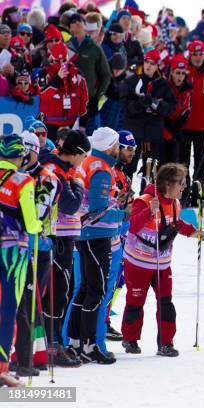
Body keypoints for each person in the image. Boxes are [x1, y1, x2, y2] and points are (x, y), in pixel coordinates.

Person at [121, 163, 197, 357]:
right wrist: (149, 211)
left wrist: (193, 232)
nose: (184, 186)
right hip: (138, 263)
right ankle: (130, 339)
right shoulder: (145, 201)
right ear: (167, 183)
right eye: (181, 182)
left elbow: (176, 223)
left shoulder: (175, 203)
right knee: (135, 302)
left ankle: (166, 343)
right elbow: (133, 226)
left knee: (166, 302)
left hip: (162, 264)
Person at [66, 127, 126, 365]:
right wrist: (123, 214)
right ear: (111, 146)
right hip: (97, 236)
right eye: (118, 145)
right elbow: (98, 211)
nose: (119, 149)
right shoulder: (101, 168)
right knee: (96, 291)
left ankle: (75, 341)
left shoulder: (91, 162)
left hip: (87, 234)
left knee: (85, 290)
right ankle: (89, 345)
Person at [39, 130, 91, 367]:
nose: (84, 161)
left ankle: (55, 342)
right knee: (57, 293)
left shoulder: (65, 169)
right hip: (55, 237)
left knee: (62, 291)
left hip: (65, 237)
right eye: (84, 155)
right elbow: (70, 205)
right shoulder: (56, 169)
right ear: (77, 153)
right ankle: (51, 346)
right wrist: (78, 183)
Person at [12, 131, 59, 377]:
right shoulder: (16, 176)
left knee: (29, 304)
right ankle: (24, 355)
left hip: (39, 248)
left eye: (26, 150)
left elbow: (38, 214)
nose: (21, 155)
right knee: (19, 303)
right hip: (16, 248)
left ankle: (30, 356)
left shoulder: (46, 178)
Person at [0, 134, 42, 387]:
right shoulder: (22, 180)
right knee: (7, 309)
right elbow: (30, 221)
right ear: (20, 156)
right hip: (12, 252)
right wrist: (40, 225)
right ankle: (2, 367)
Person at [121, 49, 176, 192]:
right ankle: (124, 199)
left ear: (157, 65)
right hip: (134, 132)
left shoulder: (163, 84)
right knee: (128, 166)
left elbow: (170, 108)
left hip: (153, 133)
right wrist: (140, 104)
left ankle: (147, 199)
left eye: (152, 63)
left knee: (150, 169)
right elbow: (126, 107)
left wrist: (155, 104)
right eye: (146, 62)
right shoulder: (132, 80)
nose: (148, 66)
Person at [104, 130, 137, 344]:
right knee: (109, 279)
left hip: (123, 232)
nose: (132, 153)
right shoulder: (111, 172)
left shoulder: (123, 173)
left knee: (119, 280)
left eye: (134, 149)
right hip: (111, 232)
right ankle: (102, 320)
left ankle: (105, 318)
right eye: (128, 149)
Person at [181, 40, 204, 207]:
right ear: (190, 54)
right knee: (183, 162)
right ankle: (184, 193)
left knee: (201, 162)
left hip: (202, 125)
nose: (198, 57)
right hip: (184, 125)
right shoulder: (183, 71)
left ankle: (199, 194)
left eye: (200, 54)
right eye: (194, 54)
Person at [67, 12, 111, 136]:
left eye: (78, 21)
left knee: (92, 139)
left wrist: (97, 97)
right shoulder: (67, 47)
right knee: (67, 139)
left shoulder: (95, 48)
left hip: (89, 102)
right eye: (72, 22)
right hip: (69, 101)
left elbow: (106, 75)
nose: (76, 25)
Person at [38, 42, 89, 143]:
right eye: (57, 61)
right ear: (52, 58)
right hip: (51, 123)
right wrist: (57, 78)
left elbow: (85, 100)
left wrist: (83, 124)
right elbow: (43, 95)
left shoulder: (77, 74)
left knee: (69, 154)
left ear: (68, 57)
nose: (62, 64)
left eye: (64, 60)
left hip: (72, 123)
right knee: (51, 152)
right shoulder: (45, 73)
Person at [163, 55, 193, 166]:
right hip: (163, 131)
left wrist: (180, 123)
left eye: (183, 73)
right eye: (177, 73)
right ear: (171, 72)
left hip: (177, 131)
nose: (180, 76)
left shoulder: (188, 89)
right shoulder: (164, 85)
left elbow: (186, 109)